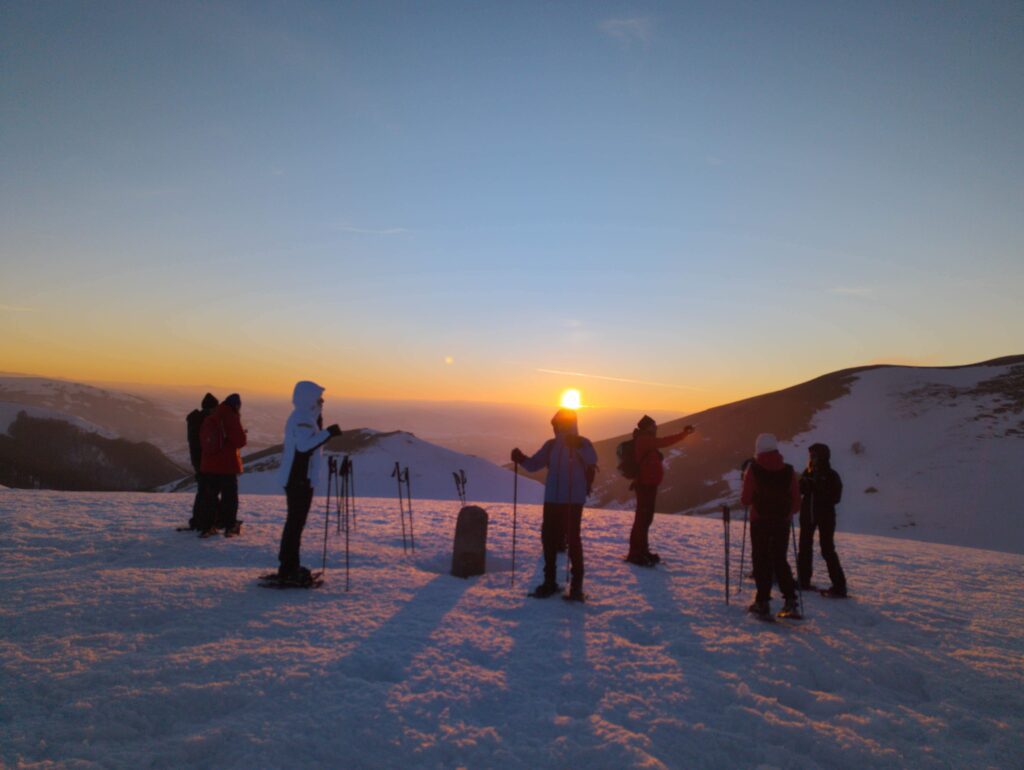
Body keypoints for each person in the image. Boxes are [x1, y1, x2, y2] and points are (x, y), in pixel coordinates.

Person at [511, 408, 597, 602]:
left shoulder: (582, 442)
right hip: (554, 499)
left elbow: (592, 459)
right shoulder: (551, 445)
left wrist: (579, 446)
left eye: (560, 423)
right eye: (558, 423)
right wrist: (521, 458)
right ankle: (557, 582)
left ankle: (572, 585)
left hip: (570, 500)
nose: (559, 426)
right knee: (550, 539)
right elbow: (534, 465)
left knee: (570, 539)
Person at [276, 381, 341, 584]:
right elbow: (304, 447)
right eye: (318, 398)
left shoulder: (304, 417)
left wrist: (319, 422)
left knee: (295, 523)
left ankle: (289, 566)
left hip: (299, 478)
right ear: (307, 398)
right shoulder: (301, 418)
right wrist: (327, 433)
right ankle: (288, 567)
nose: (322, 401)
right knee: (295, 524)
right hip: (298, 479)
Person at [740, 433, 801, 618]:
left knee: (761, 559)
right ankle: (790, 601)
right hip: (782, 522)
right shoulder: (789, 471)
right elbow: (797, 502)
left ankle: (763, 602)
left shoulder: (754, 469)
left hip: (760, 521)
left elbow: (745, 499)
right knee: (779, 559)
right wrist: (787, 512)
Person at [626, 416, 695, 566]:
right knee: (642, 519)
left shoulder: (645, 438)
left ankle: (641, 551)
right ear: (647, 427)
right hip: (645, 485)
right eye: (653, 425)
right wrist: (684, 434)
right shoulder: (645, 439)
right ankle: (635, 553)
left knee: (645, 519)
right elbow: (665, 441)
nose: (656, 427)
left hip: (647, 484)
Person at [797, 443, 848, 597]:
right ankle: (803, 580)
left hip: (824, 516)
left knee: (827, 549)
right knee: (804, 547)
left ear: (822, 456)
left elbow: (836, 497)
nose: (811, 458)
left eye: (814, 455)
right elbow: (802, 491)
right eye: (810, 455)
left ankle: (839, 586)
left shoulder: (832, 475)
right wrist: (802, 484)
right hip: (808, 515)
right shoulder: (809, 472)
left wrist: (816, 487)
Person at [197, 393, 248, 538]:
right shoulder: (230, 416)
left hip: (208, 465)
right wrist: (242, 434)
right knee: (229, 497)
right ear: (236, 405)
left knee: (210, 497)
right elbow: (240, 441)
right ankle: (230, 525)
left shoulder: (213, 415)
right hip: (226, 466)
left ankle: (208, 527)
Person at [185, 393, 218, 530]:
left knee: (203, 491)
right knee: (207, 492)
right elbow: (205, 443)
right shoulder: (204, 421)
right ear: (210, 408)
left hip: (199, 460)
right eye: (215, 408)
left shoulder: (196, 420)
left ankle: (198, 520)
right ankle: (204, 521)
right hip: (204, 461)